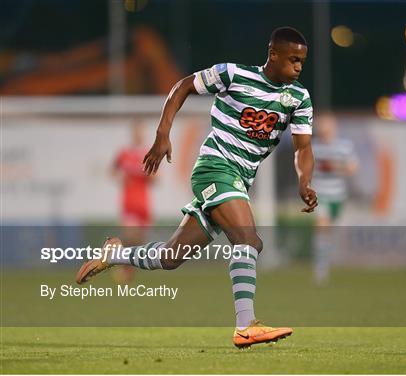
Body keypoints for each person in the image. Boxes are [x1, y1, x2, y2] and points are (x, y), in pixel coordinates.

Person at [76, 27, 317, 349]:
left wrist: (304, 180)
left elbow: (302, 148)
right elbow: (182, 87)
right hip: (215, 168)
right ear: (273, 54)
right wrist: (163, 134)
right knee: (248, 238)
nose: (299, 67)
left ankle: (116, 255)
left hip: (239, 180)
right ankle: (246, 325)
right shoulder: (233, 74)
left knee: (171, 257)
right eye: (293, 60)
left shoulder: (298, 97)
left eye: (302, 61)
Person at [311, 112, 358, 284]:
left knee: (331, 233)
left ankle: (329, 262)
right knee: (322, 228)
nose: (323, 129)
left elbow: (352, 169)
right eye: (321, 125)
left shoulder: (344, 146)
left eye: (326, 125)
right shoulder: (313, 147)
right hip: (320, 195)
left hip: (338, 196)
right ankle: (321, 270)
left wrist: (334, 167)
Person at [110, 121, 154, 283]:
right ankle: (121, 267)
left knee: (138, 240)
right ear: (132, 133)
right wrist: (120, 178)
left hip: (143, 203)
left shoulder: (149, 154)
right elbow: (112, 171)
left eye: (141, 132)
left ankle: (127, 270)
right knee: (129, 235)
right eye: (136, 131)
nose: (138, 135)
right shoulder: (124, 153)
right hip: (129, 201)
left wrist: (147, 174)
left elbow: (156, 179)